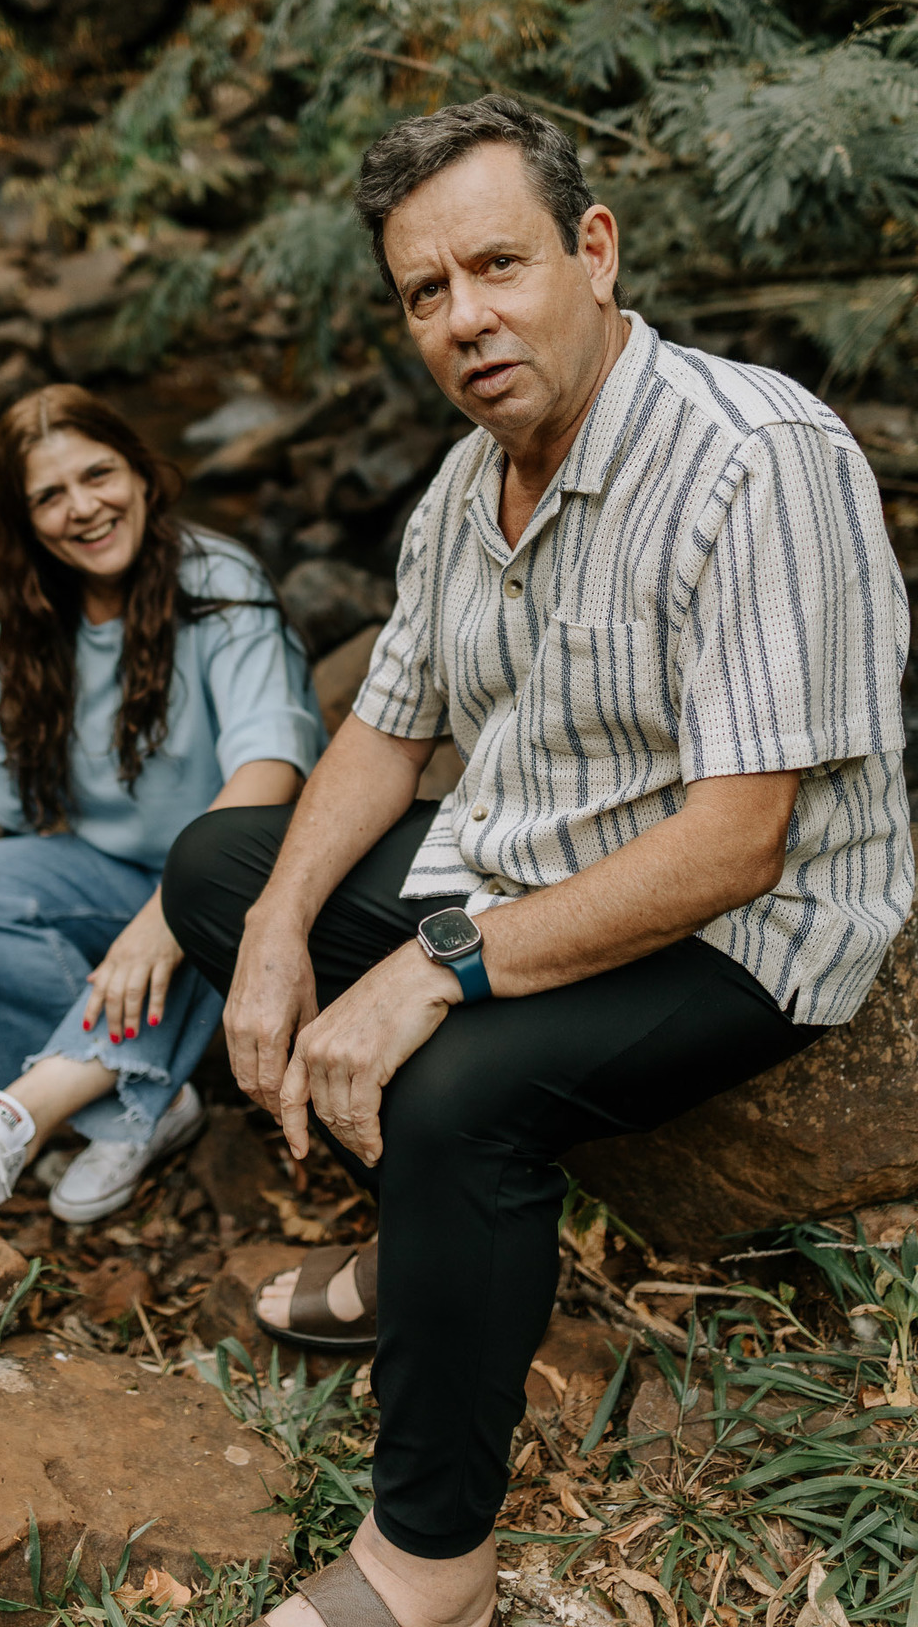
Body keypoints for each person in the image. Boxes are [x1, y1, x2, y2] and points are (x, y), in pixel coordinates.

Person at [159, 95, 914, 1627]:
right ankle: (430, 1250)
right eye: (425, 292)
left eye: (497, 265)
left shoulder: (754, 458)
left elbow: (737, 842)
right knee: (221, 869)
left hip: (746, 929)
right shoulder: (467, 481)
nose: (465, 319)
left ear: (595, 250)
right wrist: (282, 927)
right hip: (539, 860)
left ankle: (430, 1561)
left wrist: (432, 970)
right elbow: (386, 726)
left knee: (455, 1093)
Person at [0, 384, 324, 1230]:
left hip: (232, 872)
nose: (83, 508)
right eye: (50, 495)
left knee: (208, 895)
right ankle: (136, 1099)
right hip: (107, 873)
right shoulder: (28, 623)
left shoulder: (218, 582)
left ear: (141, 473)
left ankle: (17, 1118)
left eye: (98, 475)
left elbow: (271, 767)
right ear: (25, 520)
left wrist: (167, 914)